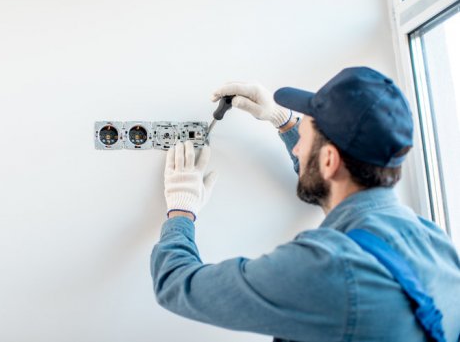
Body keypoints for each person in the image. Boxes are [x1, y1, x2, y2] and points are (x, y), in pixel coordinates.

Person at [150, 67, 460, 341]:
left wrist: (181, 209)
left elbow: (178, 287)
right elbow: (334, 182)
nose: (296, 149)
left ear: (328, 160)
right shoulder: (436, 243)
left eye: (304, 138)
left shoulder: (325, 268)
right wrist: (283, 121)